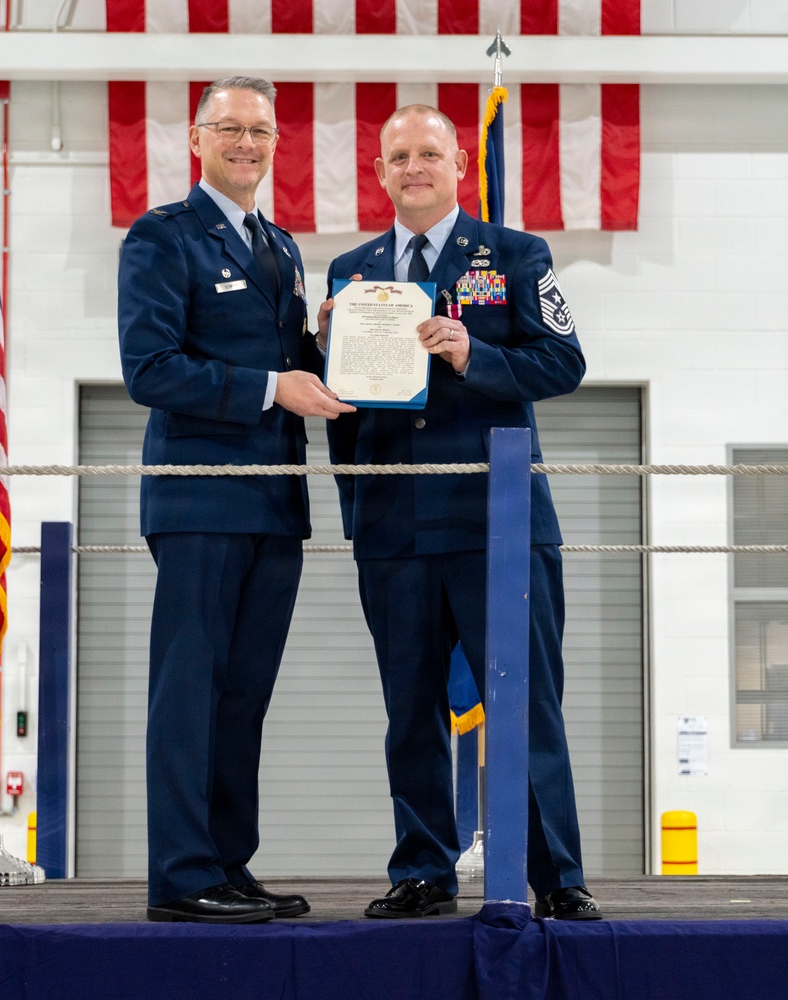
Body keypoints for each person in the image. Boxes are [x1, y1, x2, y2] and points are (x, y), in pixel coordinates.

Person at [318, 104, 601, 921]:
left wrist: (473, 354)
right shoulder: (352, 270)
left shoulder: (513, 255)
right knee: (409, 709)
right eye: (398, 154)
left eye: (429, 153)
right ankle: (422, 871)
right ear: (378, 171)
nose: (414, 166)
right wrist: (320, 341)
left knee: (526, 701)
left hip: (496, 524)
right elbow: (341, 399)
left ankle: (557, 876)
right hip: (395, 527)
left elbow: (564, 361)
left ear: (459, 165)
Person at [118, 76, 354, 924]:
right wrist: (268, 386)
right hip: (200, 499)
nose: (246, 143)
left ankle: (227, 862)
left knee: (242, 694)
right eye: (230, 129)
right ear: (196, 138)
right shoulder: (161, 238)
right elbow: (149, 370)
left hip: (275, 501)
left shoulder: (282, 248)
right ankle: (181, 874)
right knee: (189, 691)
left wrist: (342, 343)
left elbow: (296, 369)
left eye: (260, 131)